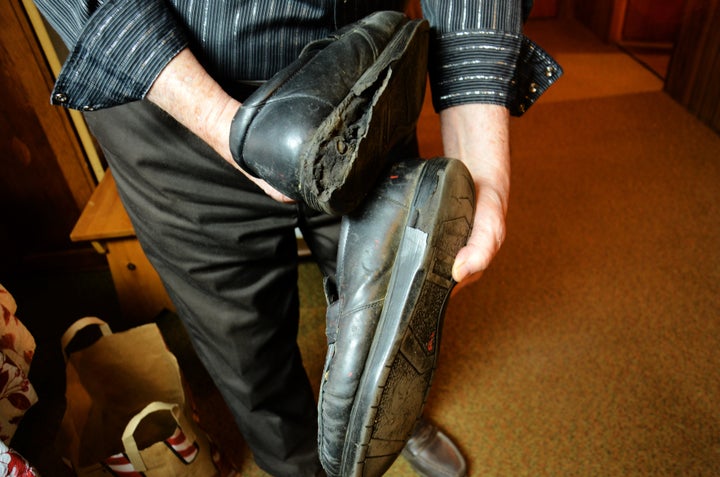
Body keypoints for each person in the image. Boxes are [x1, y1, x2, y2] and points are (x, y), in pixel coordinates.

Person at [33, 1, 560, 476]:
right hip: (167, 100)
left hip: (359, 72)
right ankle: (297, 465)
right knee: (240, 340)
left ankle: (393, 423)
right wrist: (222, 123)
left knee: (395, 298)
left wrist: (479, 159)